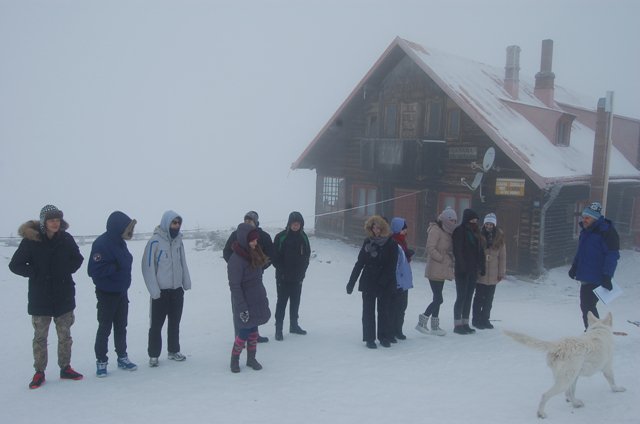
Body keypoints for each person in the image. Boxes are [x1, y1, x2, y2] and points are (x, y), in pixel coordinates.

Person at [9, 205, 85, 389]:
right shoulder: (31, 241)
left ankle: (65, 368)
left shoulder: (66, 239)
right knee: (40, 337)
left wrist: (65, 271)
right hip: (40, 297)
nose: (55, 223)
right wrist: (34, 272)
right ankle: (39, 371)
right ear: (44, 222)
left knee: (65, 335)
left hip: (64, 295)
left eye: (58, 220)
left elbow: (78, 259)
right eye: (51, 220)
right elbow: (15, 265)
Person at [88, 211, 138, 377]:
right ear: (118, 227)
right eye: (128, 228)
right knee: (105, 328)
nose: (130, 232)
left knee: (121, 327)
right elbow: (93, 270)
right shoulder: (102, 244)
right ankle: (101, 361)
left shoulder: (120, 242)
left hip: (121, 292)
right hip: (106, 294)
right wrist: (115, 267)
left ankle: (122, 357)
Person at [141, 211, 192, 367]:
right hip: (160, 292)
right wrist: (154, 291)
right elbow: (147, 267)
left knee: (175, 322)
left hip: (176, 290)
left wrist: (186, 282)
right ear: (166, 223)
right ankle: (154, 354)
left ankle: (173, 350)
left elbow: (183, 262)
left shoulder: (179, 241)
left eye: (178, 223)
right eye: (173, 223)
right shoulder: (154, 242)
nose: (176, 226)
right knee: (156, 325)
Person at [346, 215, 398, 348]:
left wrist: (382, 283)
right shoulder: (367, 242)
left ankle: (384, 337)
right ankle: (369, 338)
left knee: (384, 310)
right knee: (368, 311)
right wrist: (351, 282)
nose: (376, 230)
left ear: (383, 228)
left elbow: (391, 266)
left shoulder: (391, 244)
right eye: (374, 227)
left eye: (379, 227)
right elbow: (360, 263)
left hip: (384, 283)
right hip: (368, 281)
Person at [223, 210, 273, 343]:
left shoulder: (263, 236)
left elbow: (271, 254)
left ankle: (254, 335)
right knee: (240, 307)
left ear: (256, 223)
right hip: (240, 279)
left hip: (255, 278)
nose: (247, 223)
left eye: (250, 221)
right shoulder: (236, 235)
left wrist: (260, 266)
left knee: (254, 307)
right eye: (245, 220)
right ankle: (239, 337)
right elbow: (226, 252)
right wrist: (238, 267)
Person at [568, 202, 620, 330]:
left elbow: (612, 256)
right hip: (586, 275)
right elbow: (581, 252)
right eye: (583, 217)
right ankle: (593, 332)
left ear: (595, 218)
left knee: (588, 307)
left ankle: (594, 333)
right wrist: (574, 266)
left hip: (597, 276)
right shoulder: (586, 231)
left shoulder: (607, 232)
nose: (584, 220)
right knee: (586, 307)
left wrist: (607, 275)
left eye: (588, 217)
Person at [228, 223, 271, 373]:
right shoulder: (236, 260)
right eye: (252, 240)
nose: (255, 243)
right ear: (244, 240)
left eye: (255, 240)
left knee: (253, 331)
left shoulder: (255, 252)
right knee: (244, 332)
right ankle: (234, 359)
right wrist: (241, 307)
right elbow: (235, 286)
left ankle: (251, 358)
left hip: (256, 298)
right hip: (245, 301)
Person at [416, 207, 457, 336]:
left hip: (442, 269)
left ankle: (435, 326)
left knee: (437, 297)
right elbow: (430, 247)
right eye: (452, 220)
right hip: (434, 268)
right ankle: (422, 321)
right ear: (445, 219)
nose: (454, 223)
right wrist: (441, 258)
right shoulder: (436, 229)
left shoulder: (447, 231)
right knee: (439, 299)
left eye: (455, 221)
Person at [271, 211, 311, 340]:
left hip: (298, 278)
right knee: (281, 303)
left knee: (295, 302)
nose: (295, 226)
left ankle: (294, 325)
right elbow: (275, 257)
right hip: (283, 278)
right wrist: (282, 272)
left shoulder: (303, 237)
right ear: (289, 224)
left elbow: (306, 256)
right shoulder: (281, 237)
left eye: (298, 224)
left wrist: (302, 273)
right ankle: (278, 329)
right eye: (293, 223)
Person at [451, 208, 485, 335]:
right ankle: (457, 324)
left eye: (476, 220)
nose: (474, 222)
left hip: (473, 270)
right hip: (462, 271)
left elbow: (480, 251)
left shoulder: (477, 233)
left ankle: (465, 323)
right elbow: (457, 251)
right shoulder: (460, 231)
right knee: (461, 297)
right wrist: (462, 266)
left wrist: (482, 266)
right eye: (472, 219)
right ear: (467, 219)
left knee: (469, 296)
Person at [472, 213, 506, 329]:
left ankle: (485, 319)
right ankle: (476, 320)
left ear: (494, 225)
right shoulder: (479, 236)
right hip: (481, 272)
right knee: (479, 298)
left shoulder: (499, 238)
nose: (489, 226)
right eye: (487, 223)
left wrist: (501, 273)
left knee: (489, 299)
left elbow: (502, 257)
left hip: (493, 274)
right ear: (484, 224)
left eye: (491, 224)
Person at [390, 217, 413, 340]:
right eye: (403, 229)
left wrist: (408, 254)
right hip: (398, 280)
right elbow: (395, 264)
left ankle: (399, 329)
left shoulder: (402, 242)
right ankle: (392, 330)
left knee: (402, 306)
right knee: (395, 307)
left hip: (404, 280)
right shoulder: (394, 242)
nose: (406, 231)